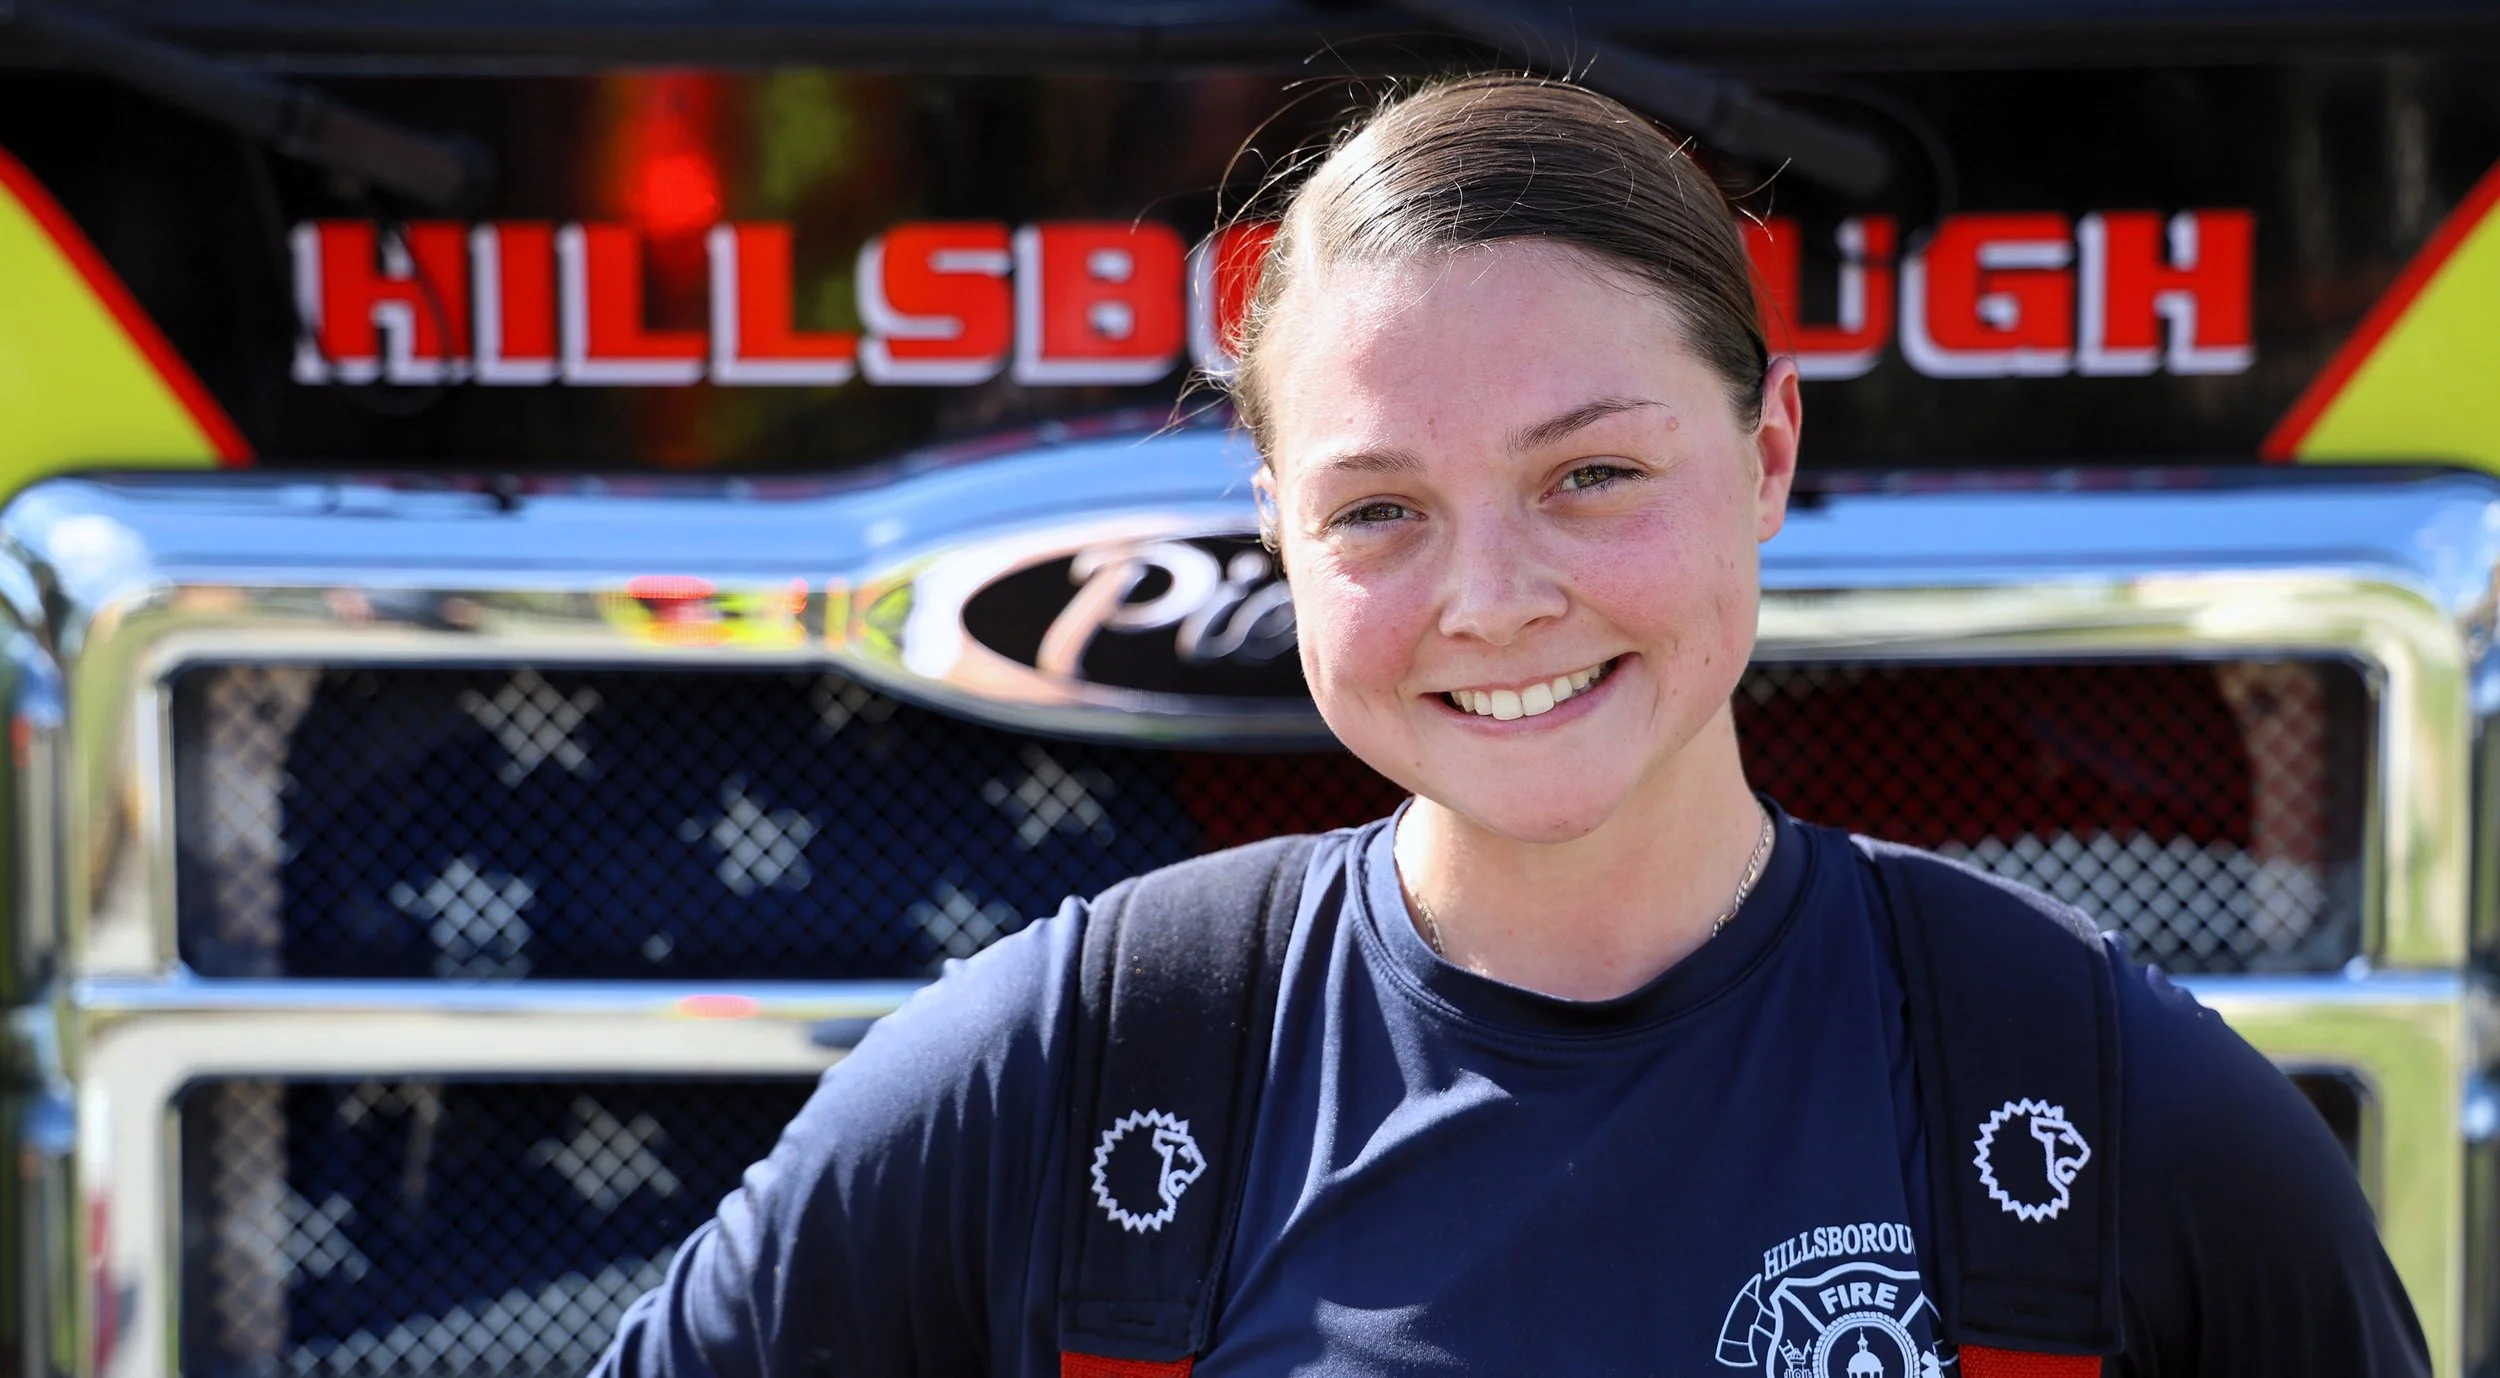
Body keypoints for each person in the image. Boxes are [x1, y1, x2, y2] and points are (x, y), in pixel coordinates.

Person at [595, 75, 2427, 1377]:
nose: (1493, 598)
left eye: (1593, 473)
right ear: (1277, 539)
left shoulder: (2114, 1109)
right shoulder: (1067, 1079)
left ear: (1770, 450)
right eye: (1379, 510)